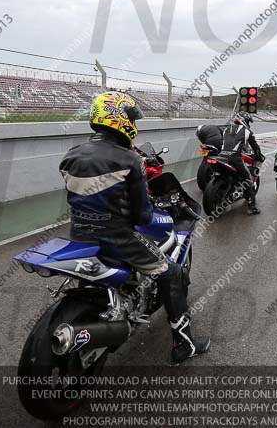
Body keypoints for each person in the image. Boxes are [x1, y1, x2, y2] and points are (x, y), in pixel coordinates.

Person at [59, 91, 210, 364]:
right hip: (117, 239)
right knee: (172, 273)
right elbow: (142, 217)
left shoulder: (71, 155)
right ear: (120, 119)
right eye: (132, 119)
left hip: (79, 235)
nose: (134, 124)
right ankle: (184, 344)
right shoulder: (130, 160)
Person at [221, 112, 265, 215]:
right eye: (248, 122)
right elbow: (255, 147)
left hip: (221, 156)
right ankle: (252, 207)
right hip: (234, 158)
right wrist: (260, 156)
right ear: (244, 121)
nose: (249, 124)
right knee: (247, 179)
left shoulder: (226, 129)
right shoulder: (246, 131)